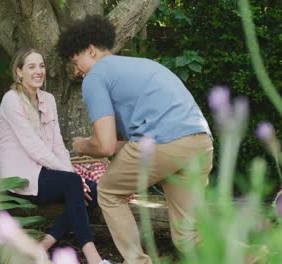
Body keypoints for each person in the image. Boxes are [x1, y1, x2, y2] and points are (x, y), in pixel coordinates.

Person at [56, 15, 214, 263]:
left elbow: (105, 145)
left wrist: (82, 144)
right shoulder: (140, 65)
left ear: (91, 50)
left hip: (162, 144)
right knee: (188, 236)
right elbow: (125, 143)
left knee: (108, 192)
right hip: (199, 141)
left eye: (76, 62)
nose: (76, 72)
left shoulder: (95, 77)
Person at [0, 47, 110, 264]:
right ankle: (93, 257)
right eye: (31, 66)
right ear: (19, 72)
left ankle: (42, 247)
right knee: (74, 184)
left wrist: (73, 176)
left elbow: (57, 144)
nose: (39, 71)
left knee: (93, 191)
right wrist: (73, 177)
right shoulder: (11, 100)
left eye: (41, 66)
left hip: (44, 172)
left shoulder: (47, 99)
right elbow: (33, 147)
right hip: (20, 176)